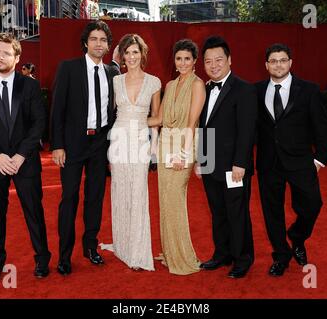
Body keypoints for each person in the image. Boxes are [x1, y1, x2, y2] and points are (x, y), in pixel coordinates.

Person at [0, 33, 51, 281]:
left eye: (6, 52)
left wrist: (19, 155)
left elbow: (38, 123)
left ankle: (41, 259)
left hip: (24, 162)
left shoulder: (30, 86)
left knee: (34, 213)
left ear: (17, 57)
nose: (0, 56)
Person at [255, 43, 327, 276]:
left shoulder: (308, 90)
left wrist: (319, 159)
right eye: (273, 61)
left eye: (283, 60)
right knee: (272, 212)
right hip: (269, 162)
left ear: (290, 63)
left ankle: (297, 237)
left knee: (312, 204)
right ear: (267, 65)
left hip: (301, 162)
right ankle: (281, 255)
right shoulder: (255, 91)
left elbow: (322, 126)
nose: (278, 64)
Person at [50, 20, 119, 276]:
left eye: (103, 40)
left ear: (108, 45)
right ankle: (64, 256)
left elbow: (114, 111)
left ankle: (91, 247)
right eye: (94, 39)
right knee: (69, 198)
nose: (98, 43)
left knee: (95, 197)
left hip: (100, 143)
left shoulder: (113, 72)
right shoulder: (69, 68)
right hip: (72, 143)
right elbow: (57, 110)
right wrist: (57, 145)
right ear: (85, 42)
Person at [196, 36, 257, 279]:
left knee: (237, 212)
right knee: (218, 211)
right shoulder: (203, 88)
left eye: (219, 60)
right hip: (210, 162)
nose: (214, 65)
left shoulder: (244, 89)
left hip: (234, 167)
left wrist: (240, 163)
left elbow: (247, 130)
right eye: (209, 61)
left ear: (230, 60)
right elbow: (202, 127)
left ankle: (243, 259)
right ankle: (222, 253)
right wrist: (201, 160)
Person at [148, 39, 206, 275]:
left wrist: (184, 154)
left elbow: (192, 124)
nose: (182, 63)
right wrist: (130, 120)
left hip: (184, 144)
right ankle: (171, 252)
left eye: (187, 59)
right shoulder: (170, 85)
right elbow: (159, 120)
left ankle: (182, 256)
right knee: (165, 199)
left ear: (194, 61)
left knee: (175, 199)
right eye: (179, 58)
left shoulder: (198, 85)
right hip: (165, 145)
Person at [106, 34, 161, 271]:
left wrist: (154, 147)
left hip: (140, 140)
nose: (131, 56)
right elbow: (109, 115)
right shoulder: (116, 81)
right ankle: (123, 245)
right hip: (118, 141)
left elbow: (158, 118)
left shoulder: (154, 82)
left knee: (138, 193)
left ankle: (138, 251)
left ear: (142, 54)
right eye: (127, 53)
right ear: (122, 56)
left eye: (135, 52)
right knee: (120, 192)